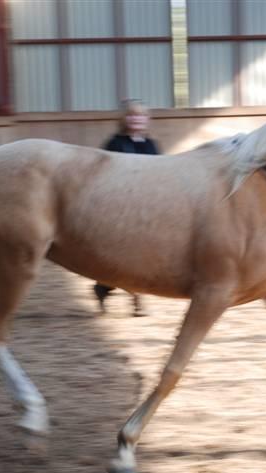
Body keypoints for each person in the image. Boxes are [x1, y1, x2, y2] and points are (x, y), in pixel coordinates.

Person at [94, 99, 160, 316]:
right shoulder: (115, 143)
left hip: (145, 207)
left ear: (146, 119)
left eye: (140, 115)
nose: (136, 119)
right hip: (122, 207)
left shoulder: (151, 145)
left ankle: (134, 298)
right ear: (125, 119)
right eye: (132, 115)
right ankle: (107, 289)